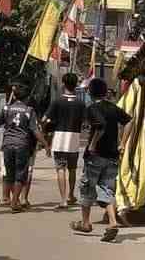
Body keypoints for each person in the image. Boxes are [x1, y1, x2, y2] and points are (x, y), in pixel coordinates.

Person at [71, 79, 132, 242]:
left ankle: (85, 223)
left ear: (90, 93)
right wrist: (122, 144)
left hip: (96, 156)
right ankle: (112, 222)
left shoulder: (92, 108)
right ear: (105, 92)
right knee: (107, 189)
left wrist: (92, 144)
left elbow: (100, 125)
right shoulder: (113, 108)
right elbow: (128, 122)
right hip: (112, 156)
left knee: (87, 188)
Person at [0, 83, 45, 212]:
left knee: (9, 173)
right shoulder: (29, 111)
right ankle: (15, 202)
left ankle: (7, 198)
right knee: (20, 174)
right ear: (26, 98)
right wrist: (45, 143)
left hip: (7, 145)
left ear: (14, 96)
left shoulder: (6, 109)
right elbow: (35, 130)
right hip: (22, 145)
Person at [41, 72, 87, 210]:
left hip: (60, 139)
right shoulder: (80, 103)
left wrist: (46, 130)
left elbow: (44, 119)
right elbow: (85, 121)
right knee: (72, 169)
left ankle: (63, 200)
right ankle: (71, 195)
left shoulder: (57, 101)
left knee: (61, 168)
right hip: (74, 139)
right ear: (76, 85)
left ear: (63, 84)